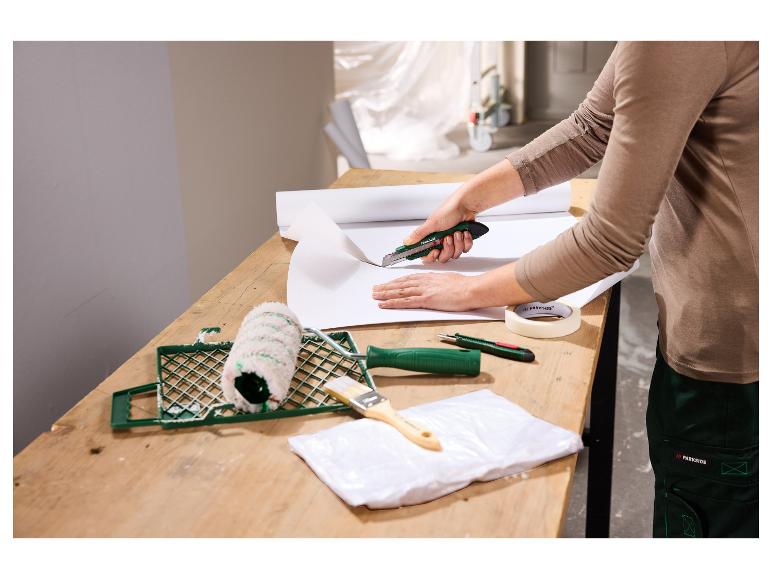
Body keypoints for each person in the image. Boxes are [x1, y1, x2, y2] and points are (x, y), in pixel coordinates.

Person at [372, 42, 758, 538]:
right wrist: (466, 200)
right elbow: (592, 127)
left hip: (733, 351)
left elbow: (609, 243)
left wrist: (468, 292)